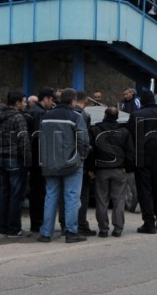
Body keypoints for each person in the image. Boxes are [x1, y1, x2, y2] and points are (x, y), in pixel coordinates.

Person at [38, 88, 89, 244]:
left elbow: (41, 139)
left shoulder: (46, 116)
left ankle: (46, 233)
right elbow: (83, 141)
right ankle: (71, 232)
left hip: (49, 163)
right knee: (71, 197)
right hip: (71, 164)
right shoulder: (75, 117)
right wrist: (81, 157)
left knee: (51, 197)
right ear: (73, 101)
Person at [127, 89, 157, 234]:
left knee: (144, 190)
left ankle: (149, 223)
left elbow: (130, 136)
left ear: (142, 101)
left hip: (141, 158)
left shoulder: (136, 115)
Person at [90, 106, 134, 238]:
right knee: (119, 200)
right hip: (119, 169)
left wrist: (91, 169)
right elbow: (130, 152)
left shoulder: (95, 130)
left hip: (101, 170)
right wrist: (128, 168)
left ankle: (103, 229)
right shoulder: (124, 132)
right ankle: (118, 228)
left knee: (101, 200)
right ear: (117, 117)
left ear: (104, 115)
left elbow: (91, 151)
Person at [0, 92, 31, 237]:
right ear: (17, 103)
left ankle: (2, 227)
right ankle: (14, 229)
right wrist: (28, 162)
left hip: (1, 159)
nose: (25, 104)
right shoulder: (18, 117)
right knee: (16, 195)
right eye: (23, 101)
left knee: (4, 194)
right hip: (15, 159)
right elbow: (24, 141)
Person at [26, 87, 56, 233]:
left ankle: (37, 222)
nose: (53, 103)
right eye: (52, 100)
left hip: (34, 158)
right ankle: (38, 223)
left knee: (37, 191)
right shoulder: (39, 113)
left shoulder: (33, 111)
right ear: (46, 99)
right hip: (38, 159)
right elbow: (39, 138)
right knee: (38, 192)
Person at [70, 91, 96, 236]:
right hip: (81, 161)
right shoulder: (84, 116)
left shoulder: (68, 114)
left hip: (66, 159)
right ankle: (81, 224)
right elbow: (86, 141)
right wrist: (90, 166)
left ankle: (67, 224)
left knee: (68, 195)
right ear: (85, 101)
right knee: (82, 195)